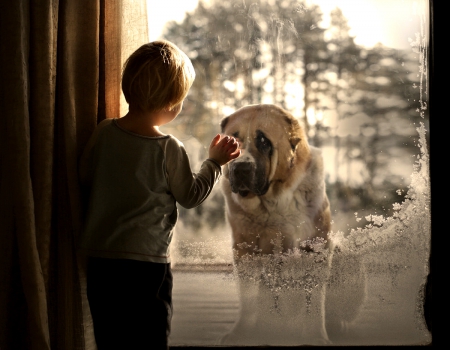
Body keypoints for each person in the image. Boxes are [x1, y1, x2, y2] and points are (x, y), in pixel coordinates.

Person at [78, 40, 240, 349]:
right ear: (171, 103)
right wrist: (215, 163)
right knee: (150, 336)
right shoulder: (168, 147)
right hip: (146, 263)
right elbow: (190, 196)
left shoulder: (103, 131)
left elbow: (85, 176)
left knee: (110, 337)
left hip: (101, 260)